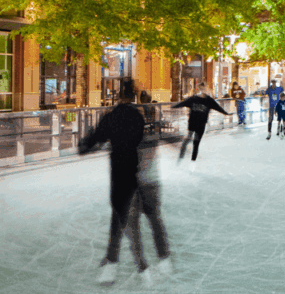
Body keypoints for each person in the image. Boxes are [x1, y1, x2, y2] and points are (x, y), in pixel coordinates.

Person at [78, 79, 172, 287]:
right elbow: (147, 141)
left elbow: (92, 141)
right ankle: (152, 264)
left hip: (120, 177)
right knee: (136, 223)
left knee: (121, 224)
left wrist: (86, 145)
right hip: (138, 177)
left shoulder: (112, 116)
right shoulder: (138, 117)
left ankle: (132, 269)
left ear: (119, 95)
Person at [171, 82, 229, 169]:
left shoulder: (209, 100)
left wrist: (226, 113)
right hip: (193, 123)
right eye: (201, 88)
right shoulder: (193, 99)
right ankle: (182, 154)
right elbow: (183, 103)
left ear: (206, 89)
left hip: (201, 124)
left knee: (196, 142)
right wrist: (174, 106)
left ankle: (193, 161)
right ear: (199, 89)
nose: (203, 90)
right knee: (189, 137)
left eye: (204, 88)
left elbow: (218, 107)